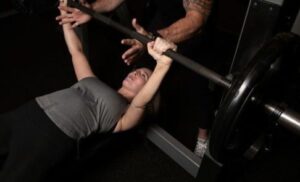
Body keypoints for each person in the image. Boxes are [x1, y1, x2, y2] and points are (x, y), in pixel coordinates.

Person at [0, 1, 177, 181]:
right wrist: (65, 16)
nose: (136, 73)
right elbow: (76, 52)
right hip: (31, 111)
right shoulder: (92, 81)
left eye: (144, 77)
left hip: (50, 136)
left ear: (148, 91)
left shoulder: (126, 116)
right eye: (137, 70)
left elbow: (141, 102)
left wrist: (162, 65)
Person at [56, 0, 214, 158]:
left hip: (192, 33)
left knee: (198, 87)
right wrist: (92, 9)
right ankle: (139, 114)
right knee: (143, 70)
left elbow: (196, 21)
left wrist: (154, 38)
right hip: (162, 23)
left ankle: (203, 134)